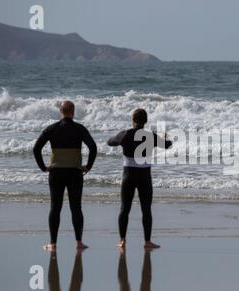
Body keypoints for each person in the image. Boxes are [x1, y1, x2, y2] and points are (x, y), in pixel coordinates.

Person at [33, 100, 97, 252]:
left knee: (55, 208)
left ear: (60, 112)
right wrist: (88, 166)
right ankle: (79, 243)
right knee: (76, 208)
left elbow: (36, 149)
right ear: (73, 112)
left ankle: (53, 244)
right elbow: (93, 148)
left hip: (56, 173)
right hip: (75, 173)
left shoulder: (51, 129)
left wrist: (43, 167)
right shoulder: (79, 129)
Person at [107, 108, 171, 249]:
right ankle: (147, 242)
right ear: (145, 121)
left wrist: (119, 137)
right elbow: (167, 145)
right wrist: (163, 138)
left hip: (128, 176)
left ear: (133, 120)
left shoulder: (125, 134)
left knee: (125, 208)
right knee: (146, 209)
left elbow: (109, 142)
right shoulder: (150, 136)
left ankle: (122, 240)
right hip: (144, 177)